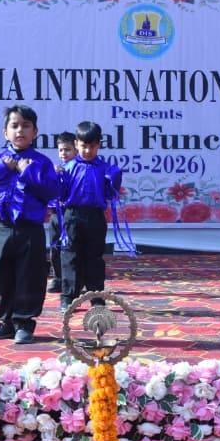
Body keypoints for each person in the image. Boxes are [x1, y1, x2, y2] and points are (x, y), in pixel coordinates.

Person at [0, 104, 58, 345]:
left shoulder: (41, 162)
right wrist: (2, 168)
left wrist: (28, 172)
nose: (20, 130)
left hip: (29, 229)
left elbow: (52, 192)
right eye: (14, 126)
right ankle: (5, 322)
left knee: (29, 276)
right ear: (5, 132)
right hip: (2, 227)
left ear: (35, 132)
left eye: (26, 126)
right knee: (1, 275)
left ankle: (24, 323)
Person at [57, 121, 123, 309]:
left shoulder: (105, 169)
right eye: (84, 146)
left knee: (94, 257)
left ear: (99, 145)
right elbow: (60, 195)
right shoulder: (68, 168)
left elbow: (111, 194)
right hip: (72, 215)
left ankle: (97, 297)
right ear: (76, 144)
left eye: (92, 146)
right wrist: (57, 178)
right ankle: (69, 297)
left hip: (95, 216)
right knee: (70, 256)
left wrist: (115, 179)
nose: (87, 151)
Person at [47, 131, 77, 293]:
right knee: (55, 246)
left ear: (76, 149)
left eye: (67, 150)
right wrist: (53, 176)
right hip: (55, 214)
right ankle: (58, 277)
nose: (63, 153)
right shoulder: (55, 169)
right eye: (61, 150)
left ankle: (73, 280)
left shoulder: (78, 169)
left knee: (71, 248)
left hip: (70, 214)